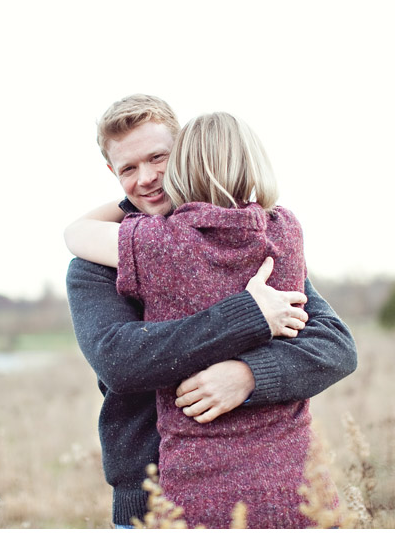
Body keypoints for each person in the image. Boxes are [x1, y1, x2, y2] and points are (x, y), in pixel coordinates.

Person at [64, 94, 357, 527]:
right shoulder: (95, 266)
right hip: (147, 499)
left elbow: (334, 346)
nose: (145, 178)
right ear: (113, 172)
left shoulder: (249, 240)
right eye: (128, 168)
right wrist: (248, 317)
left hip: (268, 485)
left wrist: (250, 376)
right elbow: (119, 361)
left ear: (184, 152)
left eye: (157, 158)